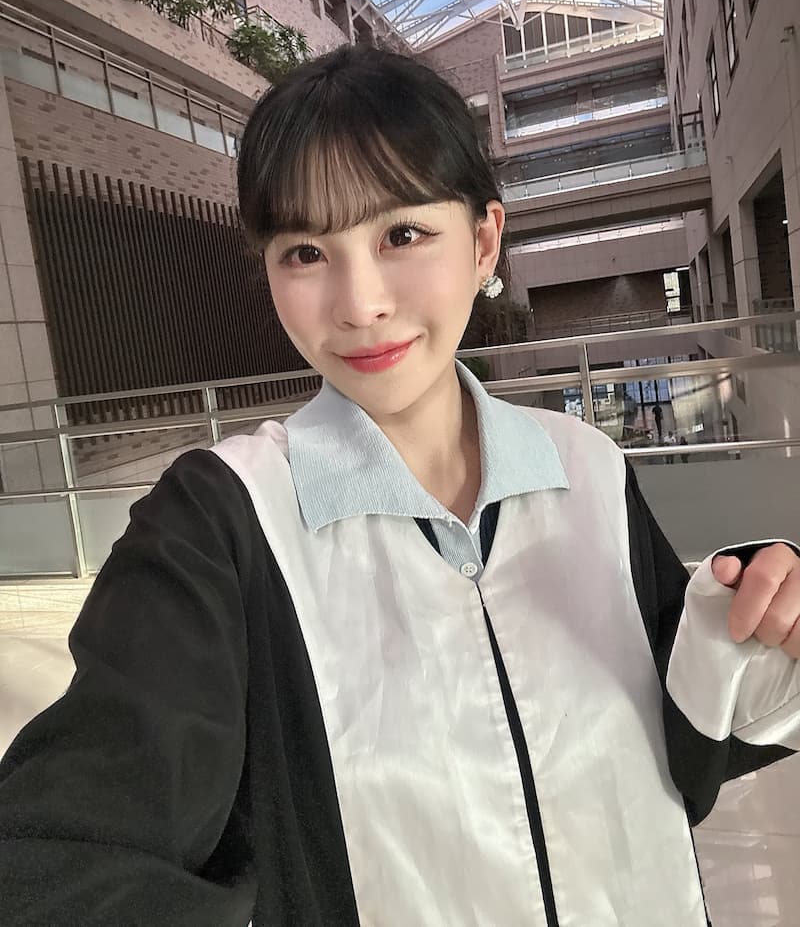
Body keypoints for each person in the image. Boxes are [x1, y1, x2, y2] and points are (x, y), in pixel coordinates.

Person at [1, 45, 799, 926]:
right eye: (306, 251)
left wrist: (768, 624)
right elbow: (60, 852)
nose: (360, 303)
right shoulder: (224, 524)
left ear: (484, 240)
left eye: (402, 234)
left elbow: (682, 758)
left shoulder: (585, 466)